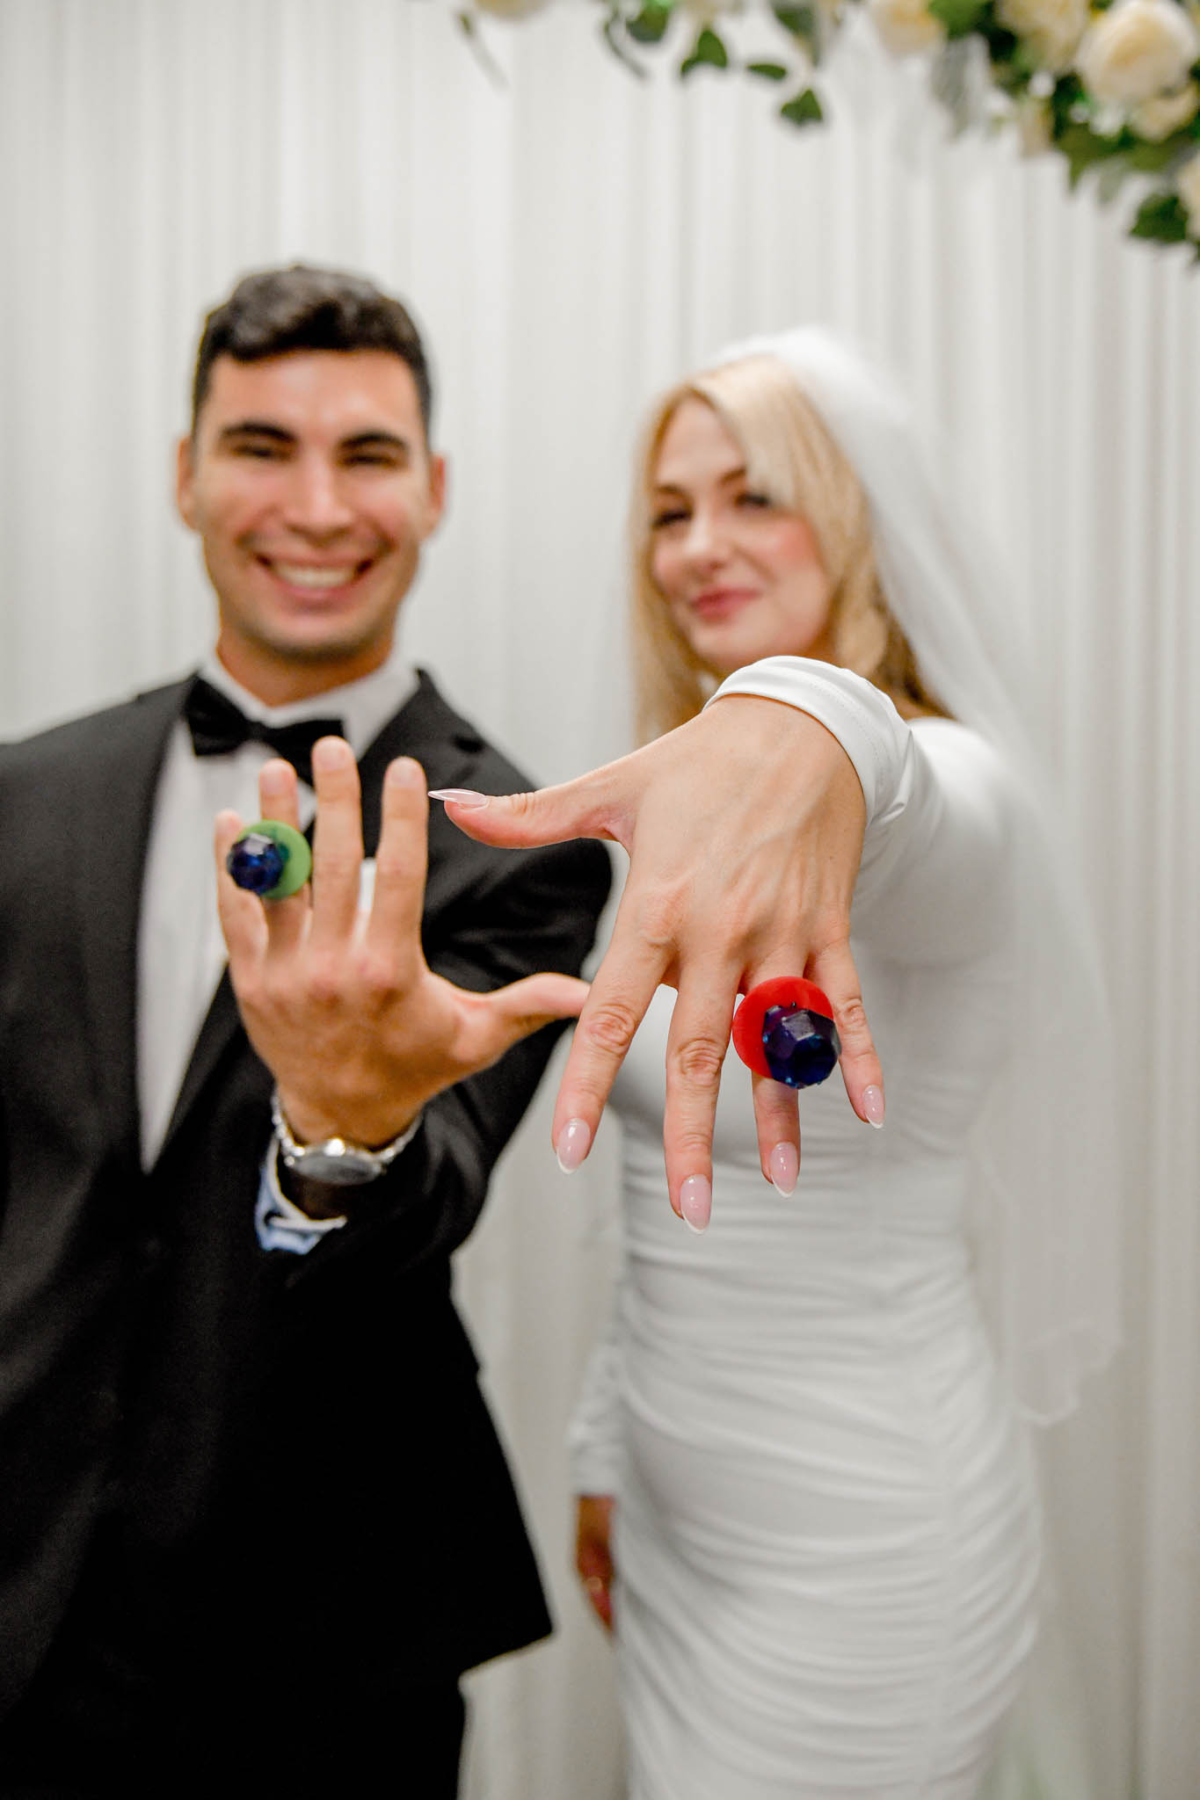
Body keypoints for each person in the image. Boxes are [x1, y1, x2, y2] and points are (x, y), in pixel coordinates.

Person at [441, 330, 1120, 1796]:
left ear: (858, 520)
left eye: (756, 496)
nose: (699, 547)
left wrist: (817, 710)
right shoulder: (707, 836)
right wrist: (608, 1446)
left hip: (866, 1553)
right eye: (670, 511)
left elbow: (907, 792)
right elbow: (668, 1197)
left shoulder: (950, 793)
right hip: (676, 1532)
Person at [0, 264, 611, 1796]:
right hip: (25, 1574)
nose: (318, 507)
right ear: (185, 475)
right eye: (263, 447)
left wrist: (342, 1126)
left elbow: (435, 1188)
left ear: (435, 490)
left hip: (331, 1613)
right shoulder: (28, 794)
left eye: (369, 454)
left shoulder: (522, 840)